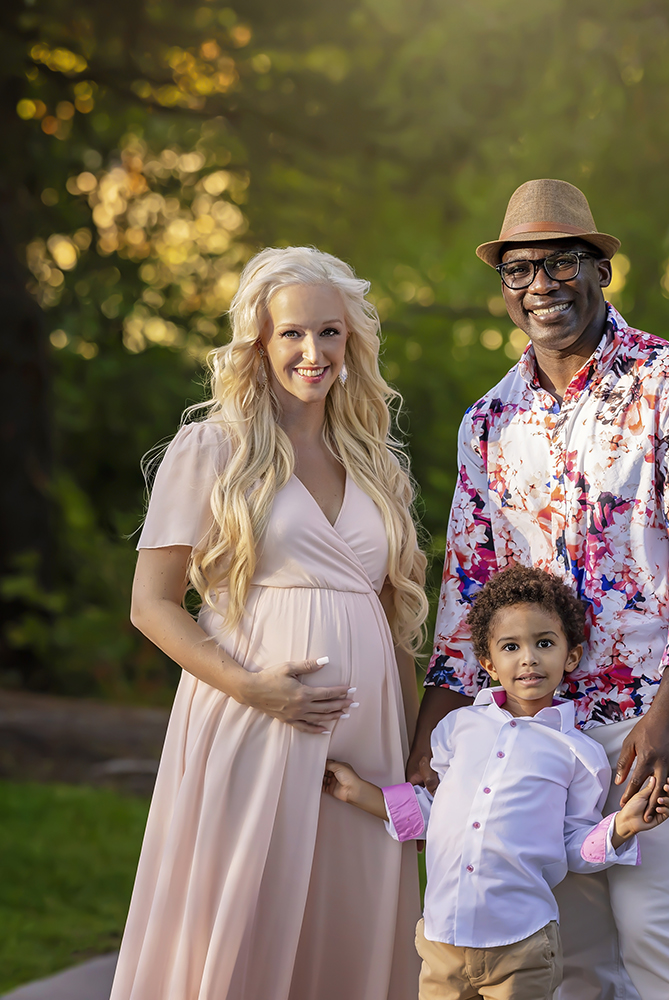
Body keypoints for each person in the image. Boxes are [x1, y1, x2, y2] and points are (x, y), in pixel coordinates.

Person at [410, 179, 669, 1000]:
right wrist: (435, 726)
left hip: (651, 711)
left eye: (562, 263)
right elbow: (469, 581)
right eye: (519, 270)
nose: (541, 286)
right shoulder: (489, 420)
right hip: (533, 726)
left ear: (601, 270)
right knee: (577, 954)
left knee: (658, 931)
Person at [111, 246, 428, 1000]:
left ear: (350, 341)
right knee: (246, 920)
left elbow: (392, 620)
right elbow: (149, 604)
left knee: (349, 932)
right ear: (259, 340)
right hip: (253, 720)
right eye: (291, 333)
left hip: (370, 746)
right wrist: (255, 689)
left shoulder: (376, 464)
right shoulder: (213, 449)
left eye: (329, 333)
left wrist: (418, 751)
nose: (312, 352)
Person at [324, 564, 669, 1000]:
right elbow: (436, 815)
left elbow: (570, 845)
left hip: (521, 944)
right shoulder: (456, 729)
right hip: (442, 941)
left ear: (570, 656)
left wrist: (621, 826)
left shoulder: (579, 755)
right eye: (511, 646)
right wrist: (359, 793)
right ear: (489, 663)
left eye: (544, 643)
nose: (528, 658)